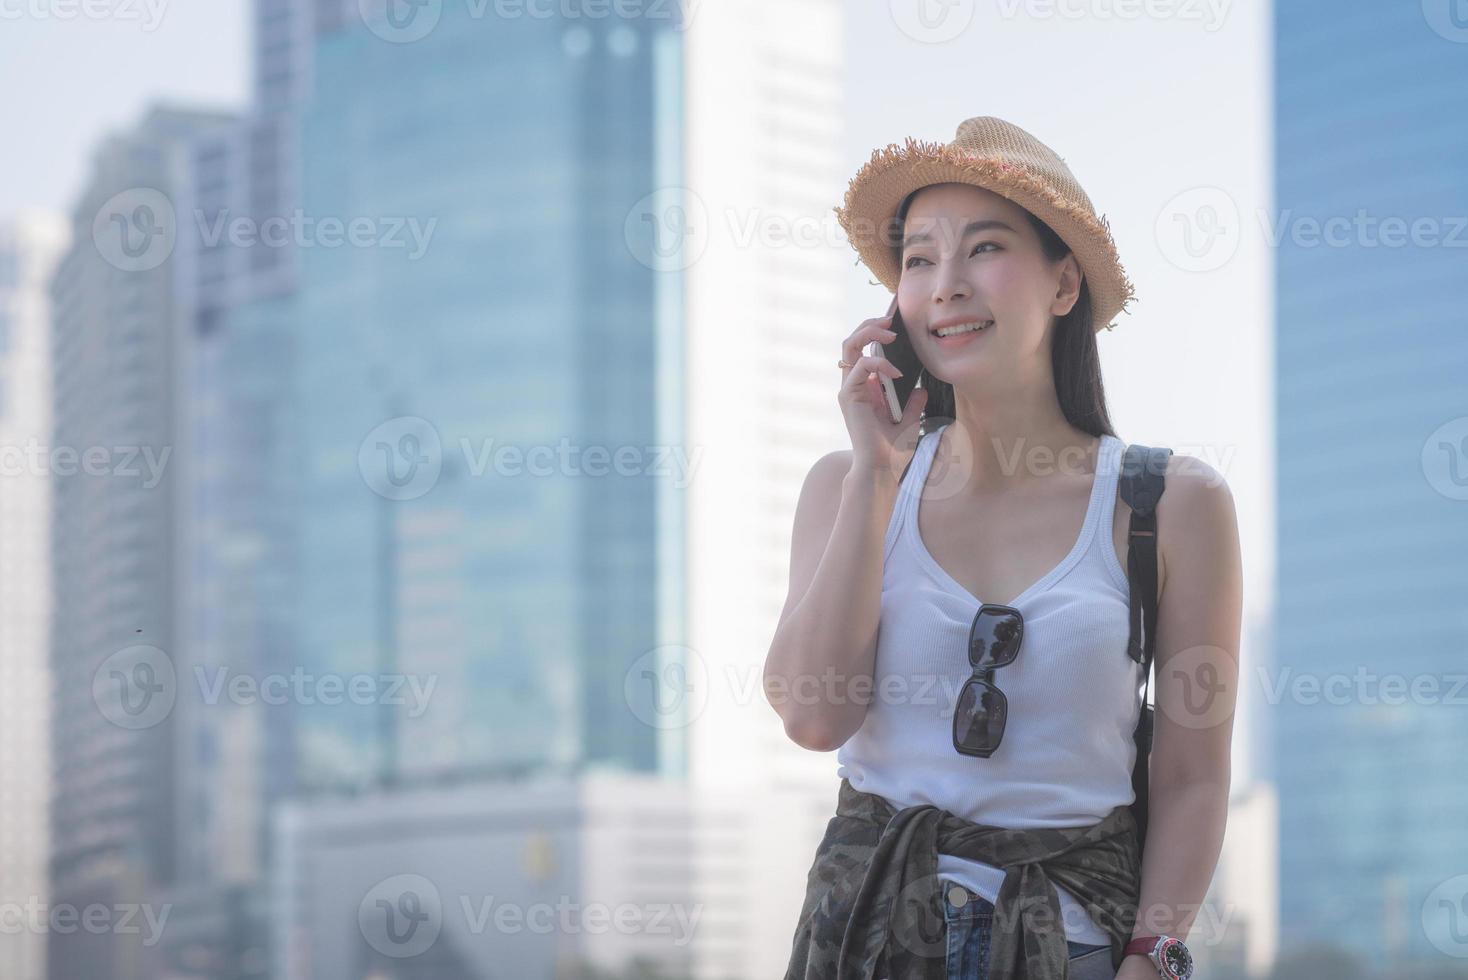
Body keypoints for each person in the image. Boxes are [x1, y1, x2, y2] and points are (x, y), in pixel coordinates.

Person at [767, 116, 1243, 979]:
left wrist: (1154, 957)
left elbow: (1193, 778)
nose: (945, 285)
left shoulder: (1174, 503)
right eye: (918, 259)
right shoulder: (845, 484)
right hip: (865, 943)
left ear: (1065, 285)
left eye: (983, 249)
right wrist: (877, 478)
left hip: (1075, 948)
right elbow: (813, 713)